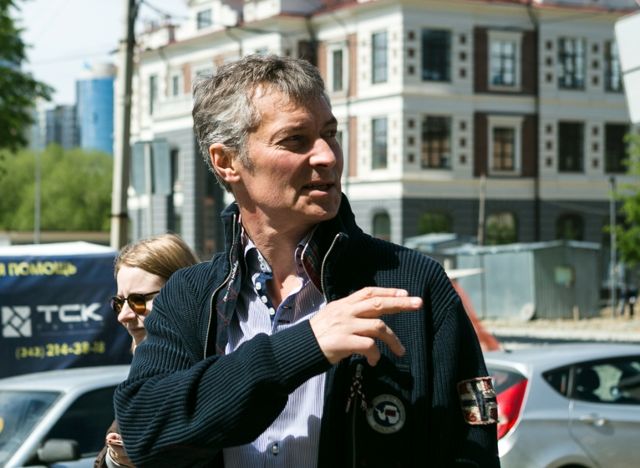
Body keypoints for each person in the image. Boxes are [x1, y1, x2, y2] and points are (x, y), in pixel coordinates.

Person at [114, 54, 499, 467]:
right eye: (295, 140)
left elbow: (471, 452)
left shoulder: (413, 284)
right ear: (227, 162)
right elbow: (143, 429)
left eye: (330, 134)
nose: (327, 156)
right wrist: (304, 347)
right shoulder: (190, 295)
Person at [95, 234, 199, 468]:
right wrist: (116, 458)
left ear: (182, 294)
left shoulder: (217, 364)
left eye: (138, 300)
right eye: (119, 303)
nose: (123, 316)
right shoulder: (140, 372)